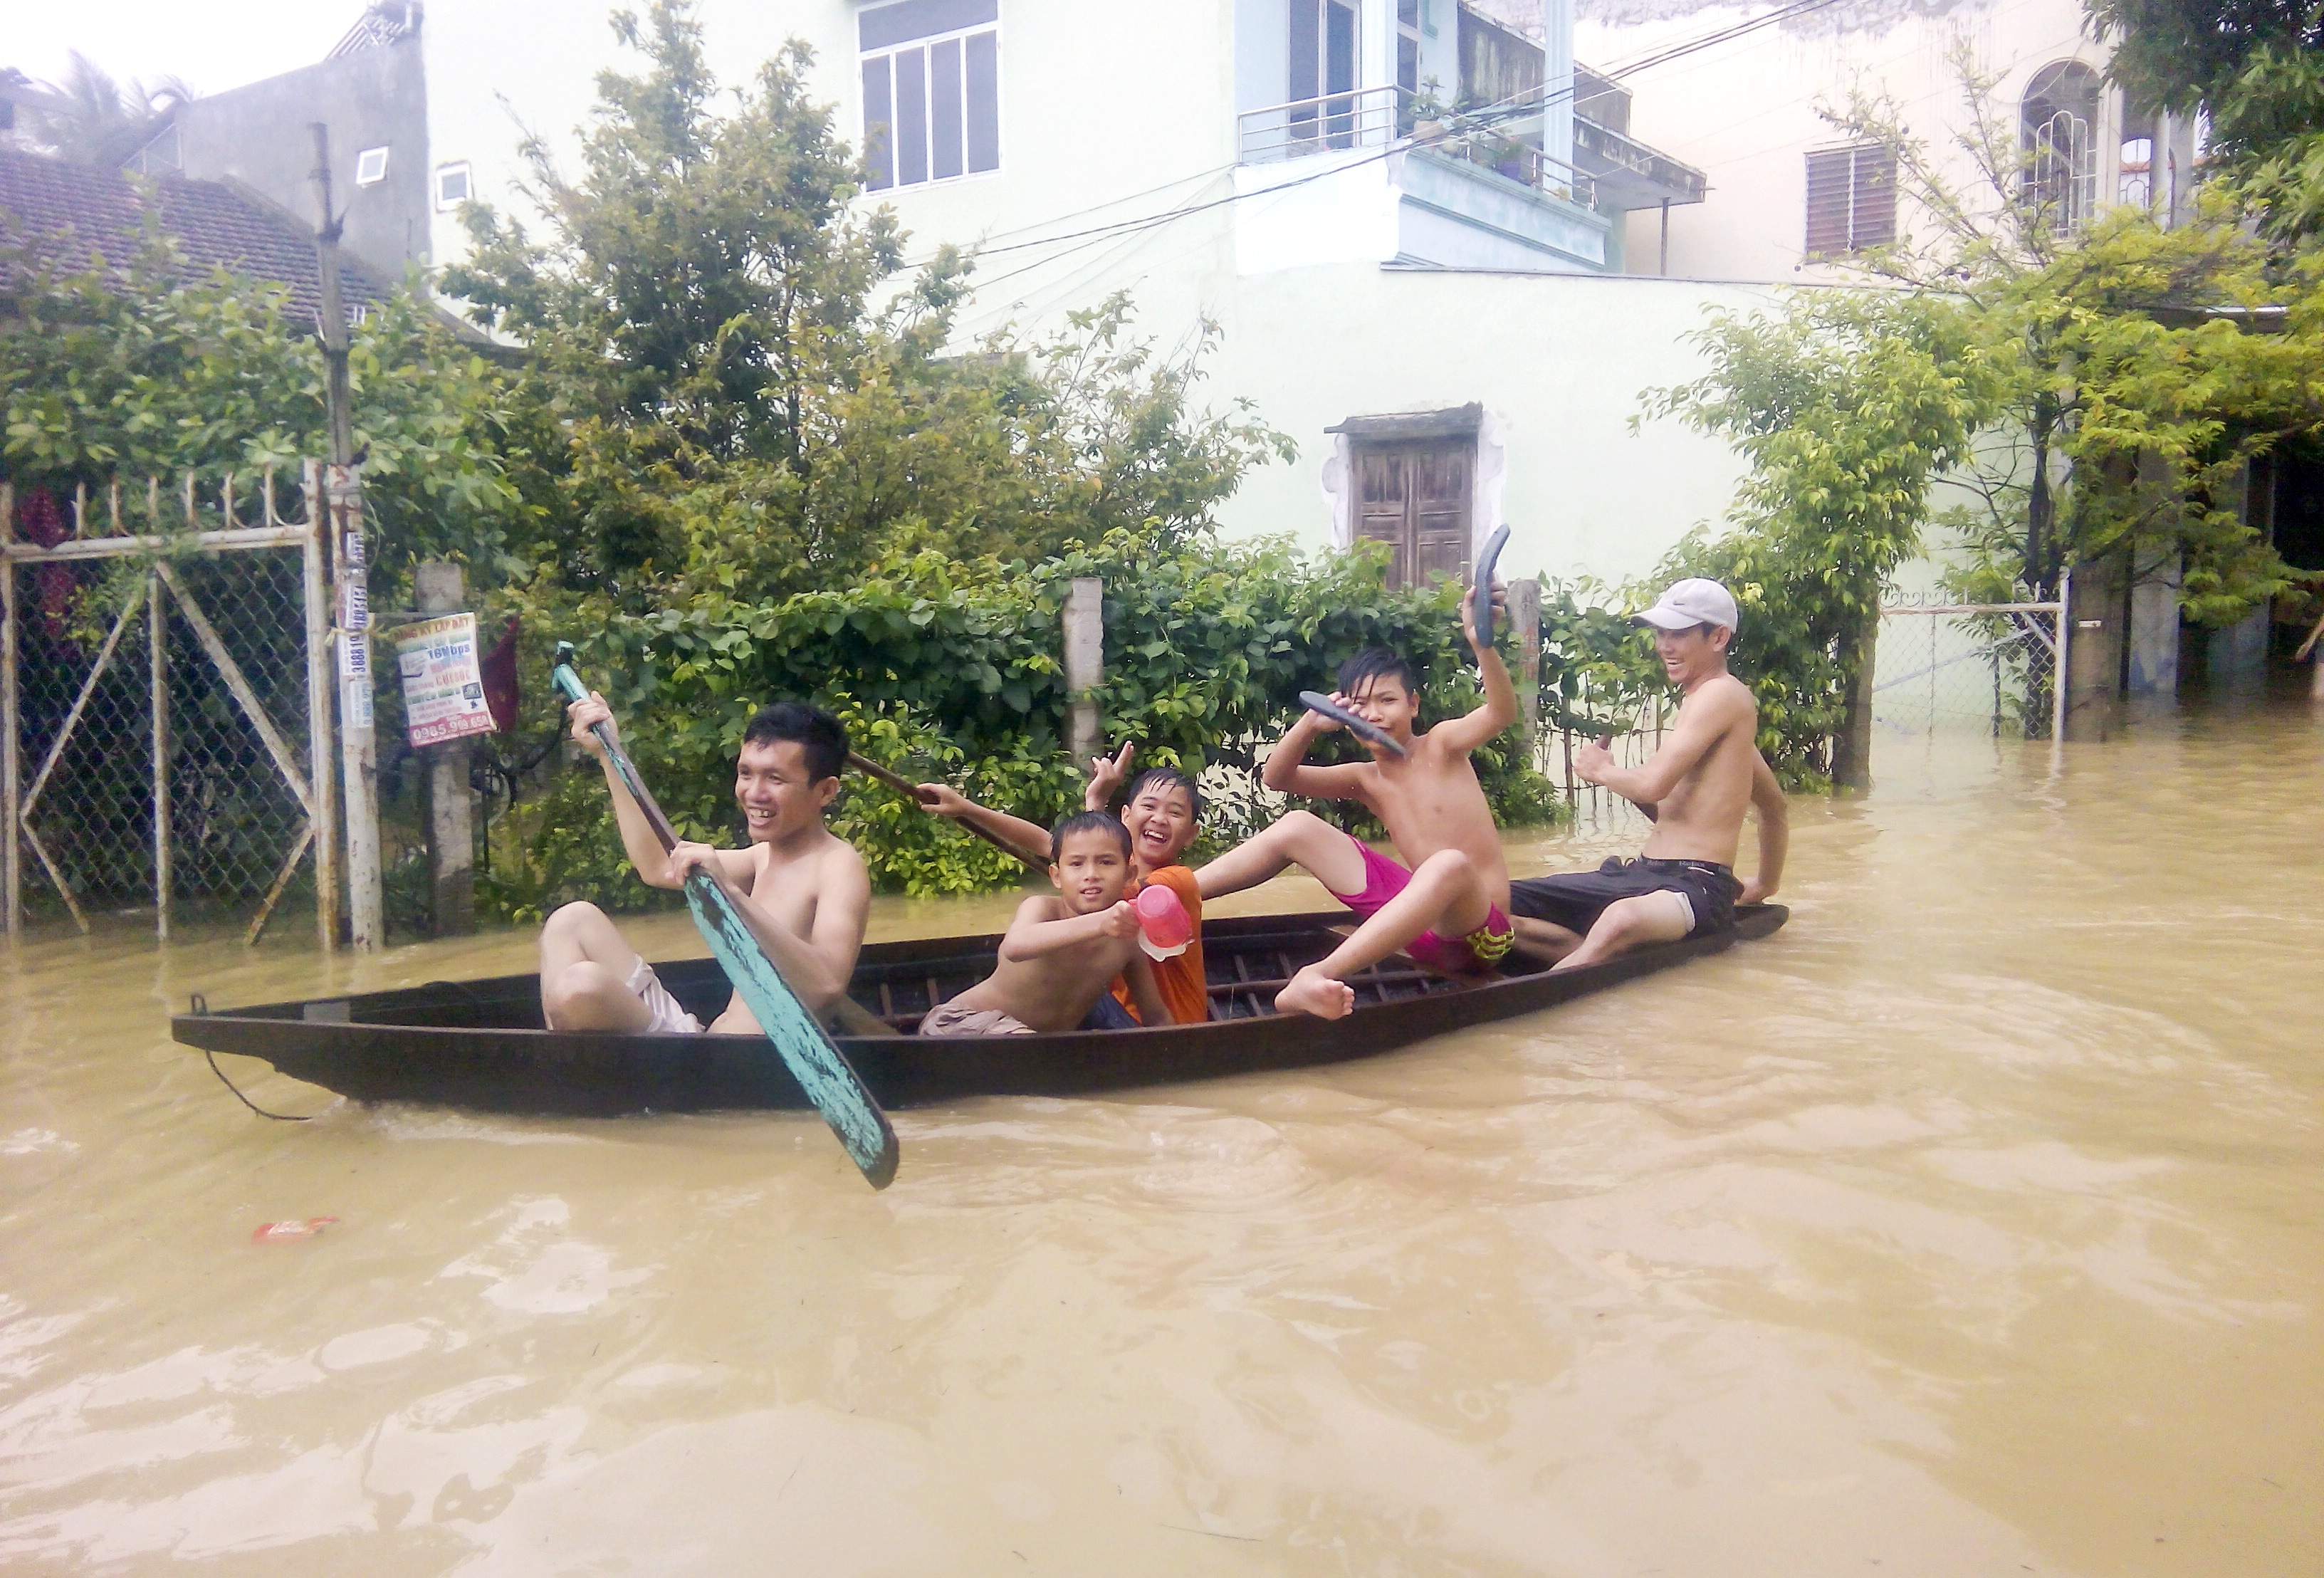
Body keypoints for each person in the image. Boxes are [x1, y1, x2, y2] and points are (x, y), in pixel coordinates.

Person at [1197, 587, 1517, 1020]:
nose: (1373, 714)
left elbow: (1500, 713)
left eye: (1387, 700)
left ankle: (1316, 975)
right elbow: (1277, 778)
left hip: (1481, 937)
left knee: (1448, 864)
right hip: (1416, 930)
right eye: (1360, 705)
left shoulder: (1442, 745)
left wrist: (1482, 645)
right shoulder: (1365, 779)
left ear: (1413, 705)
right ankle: (1167, 892)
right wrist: (1310, 725)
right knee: (1297, 826)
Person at [538, 696, 871, 1033]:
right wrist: (608, 753)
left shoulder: (838, 865)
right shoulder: (762, 857)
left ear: (826, 791)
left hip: (742, 1063)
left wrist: (729, 893)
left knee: (581, 985)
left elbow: (827, 985)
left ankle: (568, 1065)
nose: (754, 793)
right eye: (746, 773)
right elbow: (657, 866)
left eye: (775, 779)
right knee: (572, 921)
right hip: (700, 1046)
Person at [1507, 577, 1789, 971]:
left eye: (1679, 634)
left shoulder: (1722, 693)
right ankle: (1584, 955)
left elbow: (1652, 785)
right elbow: (1773, 807)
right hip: (1644, 873)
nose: (1664, 646)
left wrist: (1601, 770)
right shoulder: (1716, 718)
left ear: (1718, 637)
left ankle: (1553, 987)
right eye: (1661, 633)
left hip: (1697, 885)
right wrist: (1764, 884)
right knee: (1499, 898)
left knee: (1620, 919)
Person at [916, 744, 1211, 1025]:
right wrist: (966, 809)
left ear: (1191, 833)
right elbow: (1053, 845)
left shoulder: (1174, 882)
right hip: (980, 1021)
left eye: (1174, 812)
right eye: (1149, 806)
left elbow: (1069, 854)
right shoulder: (1069, 898)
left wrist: (1094, 808)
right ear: (1126, 816)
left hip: (1142, 1020)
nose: (1159, 819)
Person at [918, 811, 1171, 1035]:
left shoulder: (1128, 941)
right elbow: (1014, 947)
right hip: (956, 1024)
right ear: (1057, 876)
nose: (1091, 875)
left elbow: (1156, 1016)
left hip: (1036, 1044)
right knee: (1027, 1045)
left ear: (1129, 875)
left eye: (1106, 862)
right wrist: (1101, 922)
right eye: (1076, 864)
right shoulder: (1042, 908)